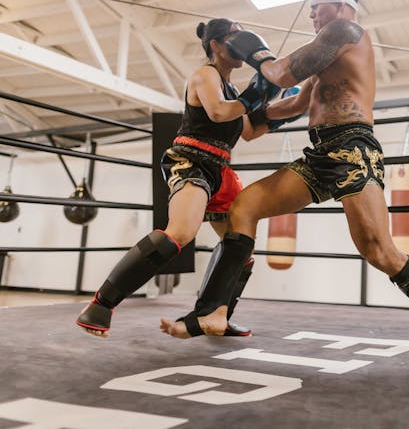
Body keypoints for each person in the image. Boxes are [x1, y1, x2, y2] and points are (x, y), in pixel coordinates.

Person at [160, 0, 409, 361]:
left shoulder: (345, 32)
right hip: (321, 154)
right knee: (245, 206)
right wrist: (241, 119)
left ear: (340, 6)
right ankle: (214, 312)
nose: (311, 15)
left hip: (354, 150)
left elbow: (278, 72)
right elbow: (295, 102)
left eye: (317, 7)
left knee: (378, 251)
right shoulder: (328, 51)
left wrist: (251, 47)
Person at [75, 18, 292, 338]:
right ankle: (101, 305)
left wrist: (283, 106)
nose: (239, 40)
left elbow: (247, 131)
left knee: (240, 248)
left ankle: (213, 315)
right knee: (181, 231)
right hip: (191, 160)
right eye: (232, 34)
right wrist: (253, 96)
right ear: (216, 44)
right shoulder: (205, 74)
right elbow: (219, 112)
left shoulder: (232, 88)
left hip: (221, 170)